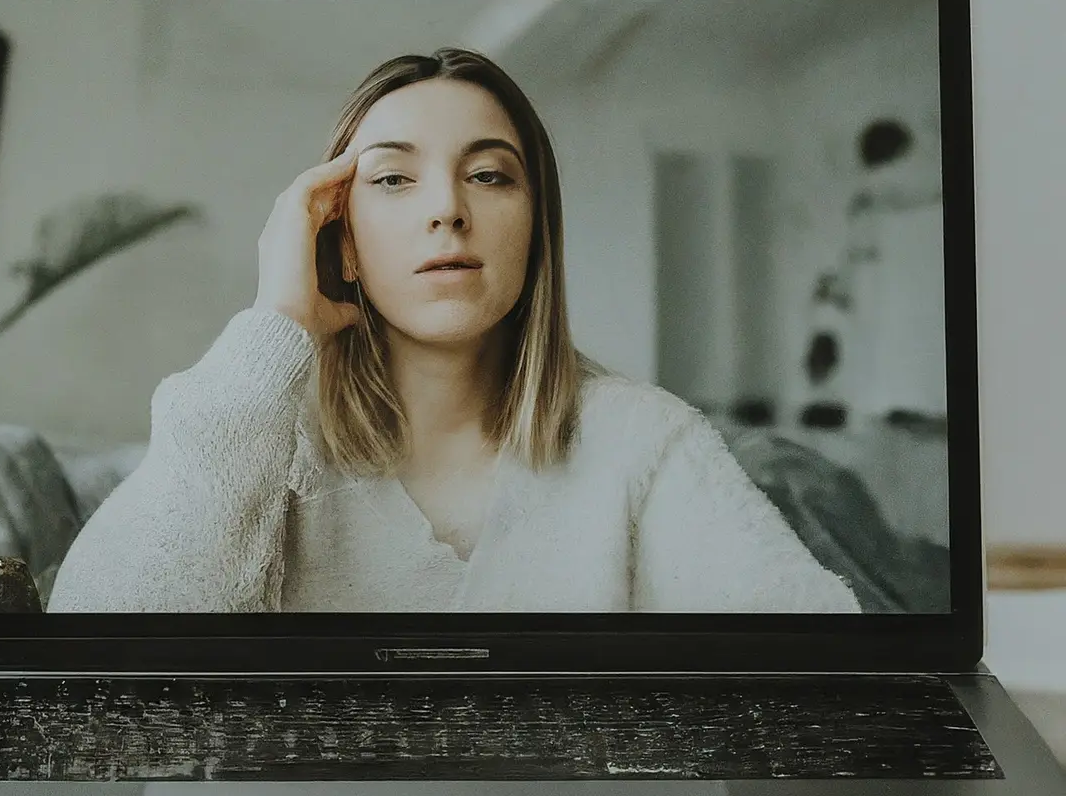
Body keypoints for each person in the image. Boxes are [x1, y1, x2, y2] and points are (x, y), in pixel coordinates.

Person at [48, 48, 860, 615]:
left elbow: (822, 666)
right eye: (394, 179)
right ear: (343, 238)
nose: (447, 207)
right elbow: (96, 642)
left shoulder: (644, 440)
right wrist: (277, 325)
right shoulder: (265, 440)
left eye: (488, 174)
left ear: (536, 230)